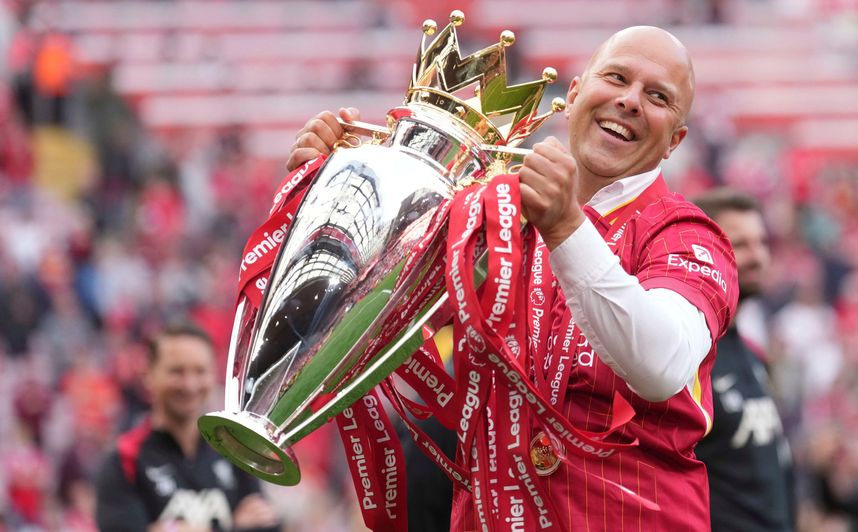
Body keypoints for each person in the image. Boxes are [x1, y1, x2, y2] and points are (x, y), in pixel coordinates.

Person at [288, 26, 738, 531]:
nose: (630, 101)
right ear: (572, 95)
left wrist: (567, 227)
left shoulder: (687, 236)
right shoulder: (489, 214)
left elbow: (661, 365)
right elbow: (365, 324)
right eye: (616, 78)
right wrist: (326, 204)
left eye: (658, 97)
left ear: (675, 140)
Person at [94, 322, 281, 532]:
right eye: (177, 372)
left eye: (200, 371)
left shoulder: (234, 451)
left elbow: (267, 523)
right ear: (149, 376)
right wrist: (234, 527)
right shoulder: (124, 459)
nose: (190, 385)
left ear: (213, 376)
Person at [692, 188, 795, 531]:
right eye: (742, 244)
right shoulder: (687, 356)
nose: (758, 257)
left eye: (762, 243)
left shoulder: (751, 354)